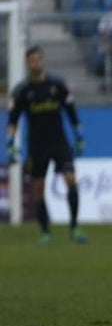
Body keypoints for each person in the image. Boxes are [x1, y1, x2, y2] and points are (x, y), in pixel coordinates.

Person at [6, 45, 86, 244]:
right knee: (38, 188)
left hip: (59, 142)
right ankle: (45, 231)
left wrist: (79, 136)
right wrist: (10, 143)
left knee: (71, 180)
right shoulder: (22, 91)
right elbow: (13, 120)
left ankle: (74, 227)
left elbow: (71, 112)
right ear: (27, 63)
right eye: (32, 60)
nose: (36, 63)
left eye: (39, 59)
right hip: (37, 146)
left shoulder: (57, 85)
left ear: (43, 60)